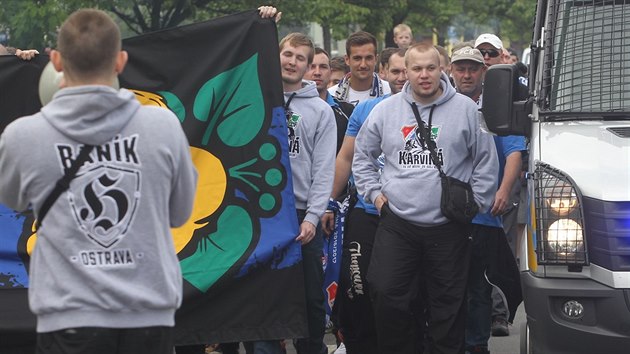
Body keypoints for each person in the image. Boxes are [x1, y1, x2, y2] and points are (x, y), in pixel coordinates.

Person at [0, 9, 197, 354]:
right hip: (148, 315)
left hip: (67, 316)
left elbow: (13, 201)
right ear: (120, 61)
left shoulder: (22, 136)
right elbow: (180, 214)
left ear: (56, 60)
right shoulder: (163, 126)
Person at [352, 43, 498, 354]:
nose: (424, 75)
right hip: (398, 223)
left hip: (449, 226)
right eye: (416, 69)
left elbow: (486, 161)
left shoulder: (468, 110)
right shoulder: (385, 111)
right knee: (386, 292)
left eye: (430, 67)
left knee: (448, 305)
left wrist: (477, 205)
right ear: (406, 72)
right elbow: (362, 156)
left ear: (442, 68)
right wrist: (376, 197)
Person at [252, 32, 336, 354]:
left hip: (303, 215)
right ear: (277, 55)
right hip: (264, 212)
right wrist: (264, 22)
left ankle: (312, 348)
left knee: (310, 299)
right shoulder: (259, 96)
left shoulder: (320, 111)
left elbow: (324, 170)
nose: (292, 61)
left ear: (308, 65)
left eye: (301, 58)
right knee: (266, 297)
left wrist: (314, 217)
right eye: (288, 54)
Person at [321, 48, 407, 354]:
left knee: (394, 290)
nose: (401, 77)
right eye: (394, 71)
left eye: (405, 71)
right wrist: (329, 203)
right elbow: (345, 158)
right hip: (366, 212)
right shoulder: (367, 108)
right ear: (382, 74)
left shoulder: (430, 108)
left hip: (408, 219)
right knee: (355, 284)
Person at [450, 46, 525, 354]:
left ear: (484, 72)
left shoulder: (497, 107)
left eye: (473, 69)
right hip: (443, 214)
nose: (466, 75)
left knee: (478, 284)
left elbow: (513, 153)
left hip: (482, 213)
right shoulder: (439, 104)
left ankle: (477, 344)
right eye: (461, 68)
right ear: (451, 70)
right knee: (446, 285)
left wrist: (504, 190)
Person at [475, 33, 526, 337]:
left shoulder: (510, 93)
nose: (485, 58)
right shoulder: (453, 98)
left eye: (490, 53)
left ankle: (498, 313)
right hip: (461, 200)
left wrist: (505, 188)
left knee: (499, 253)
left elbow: (514, 150)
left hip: (499, 192)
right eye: (479, 54)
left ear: (501, 56)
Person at [304, 47, 354, 153]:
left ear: (330, 72)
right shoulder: (288, 108)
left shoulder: (348, 111)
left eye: (323, 67)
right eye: (312, 67)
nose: (317, 72)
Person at [328, 31, 390, 106]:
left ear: (376, 59)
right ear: (347, 60)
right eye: (357, 58)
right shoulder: (331, 96)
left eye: (368, 58)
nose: (363, 65)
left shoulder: (389, 93)